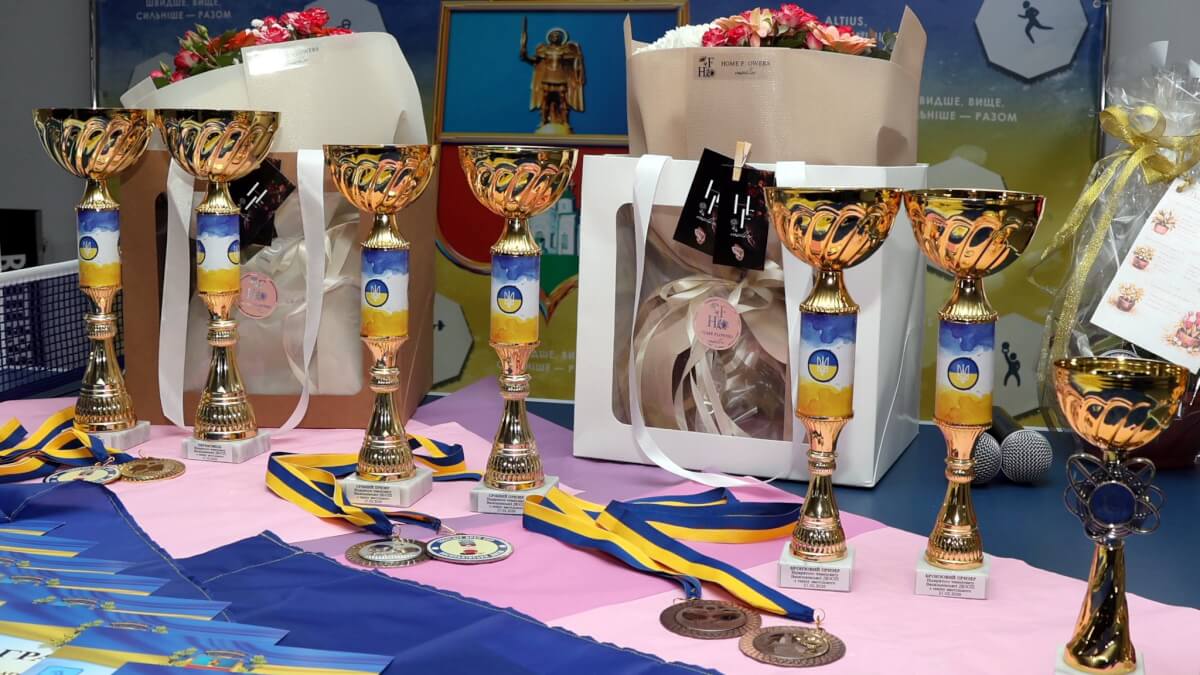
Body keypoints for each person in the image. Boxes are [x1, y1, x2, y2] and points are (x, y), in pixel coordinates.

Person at [520, 18, 585, 132]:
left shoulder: (565, 50)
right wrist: (524, 55)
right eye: (553, 35)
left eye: (557, 35)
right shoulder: (544, 50)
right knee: (545, 101)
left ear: (561, 38)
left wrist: (578, 54)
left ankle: (565, 121)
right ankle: (543, 120)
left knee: (563, 101)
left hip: (561, 79)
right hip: (547, 79)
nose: (555, 37)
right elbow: (534, 61)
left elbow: (575, 61)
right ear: (549, 38)